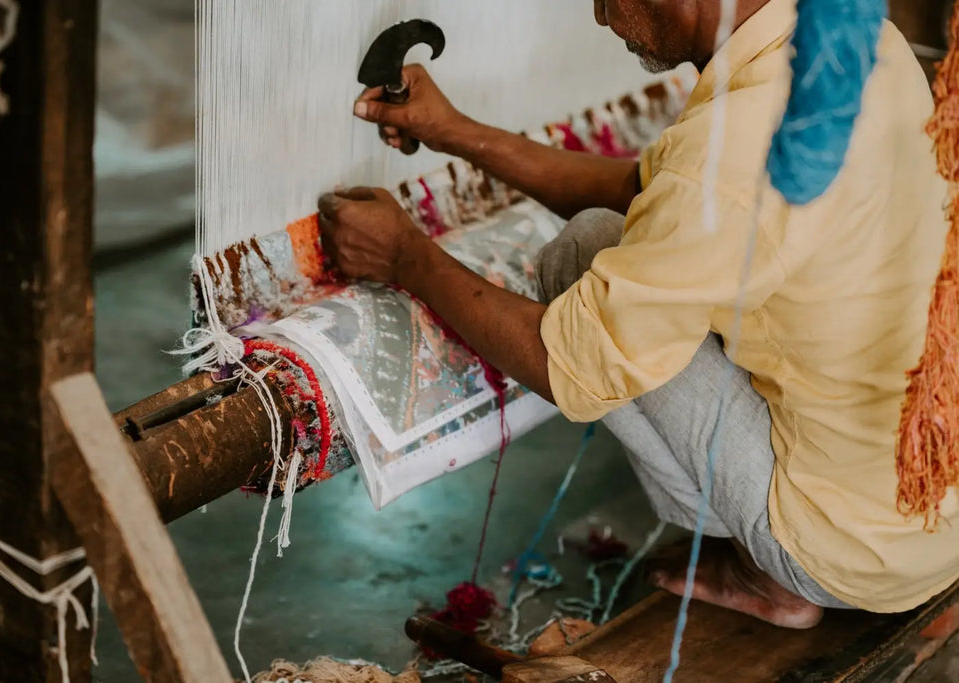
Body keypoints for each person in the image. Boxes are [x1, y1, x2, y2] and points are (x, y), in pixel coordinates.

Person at [317, 0, 959, 628]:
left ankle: (773, 569)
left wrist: (406, 257)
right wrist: (456, 132)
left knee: (584, 251)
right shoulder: (856, 39)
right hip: (934, 518)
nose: (600, 16)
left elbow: (568, 362)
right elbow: (648, 192)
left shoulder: (731, 147)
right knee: (633, 243)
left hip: (848, 554)